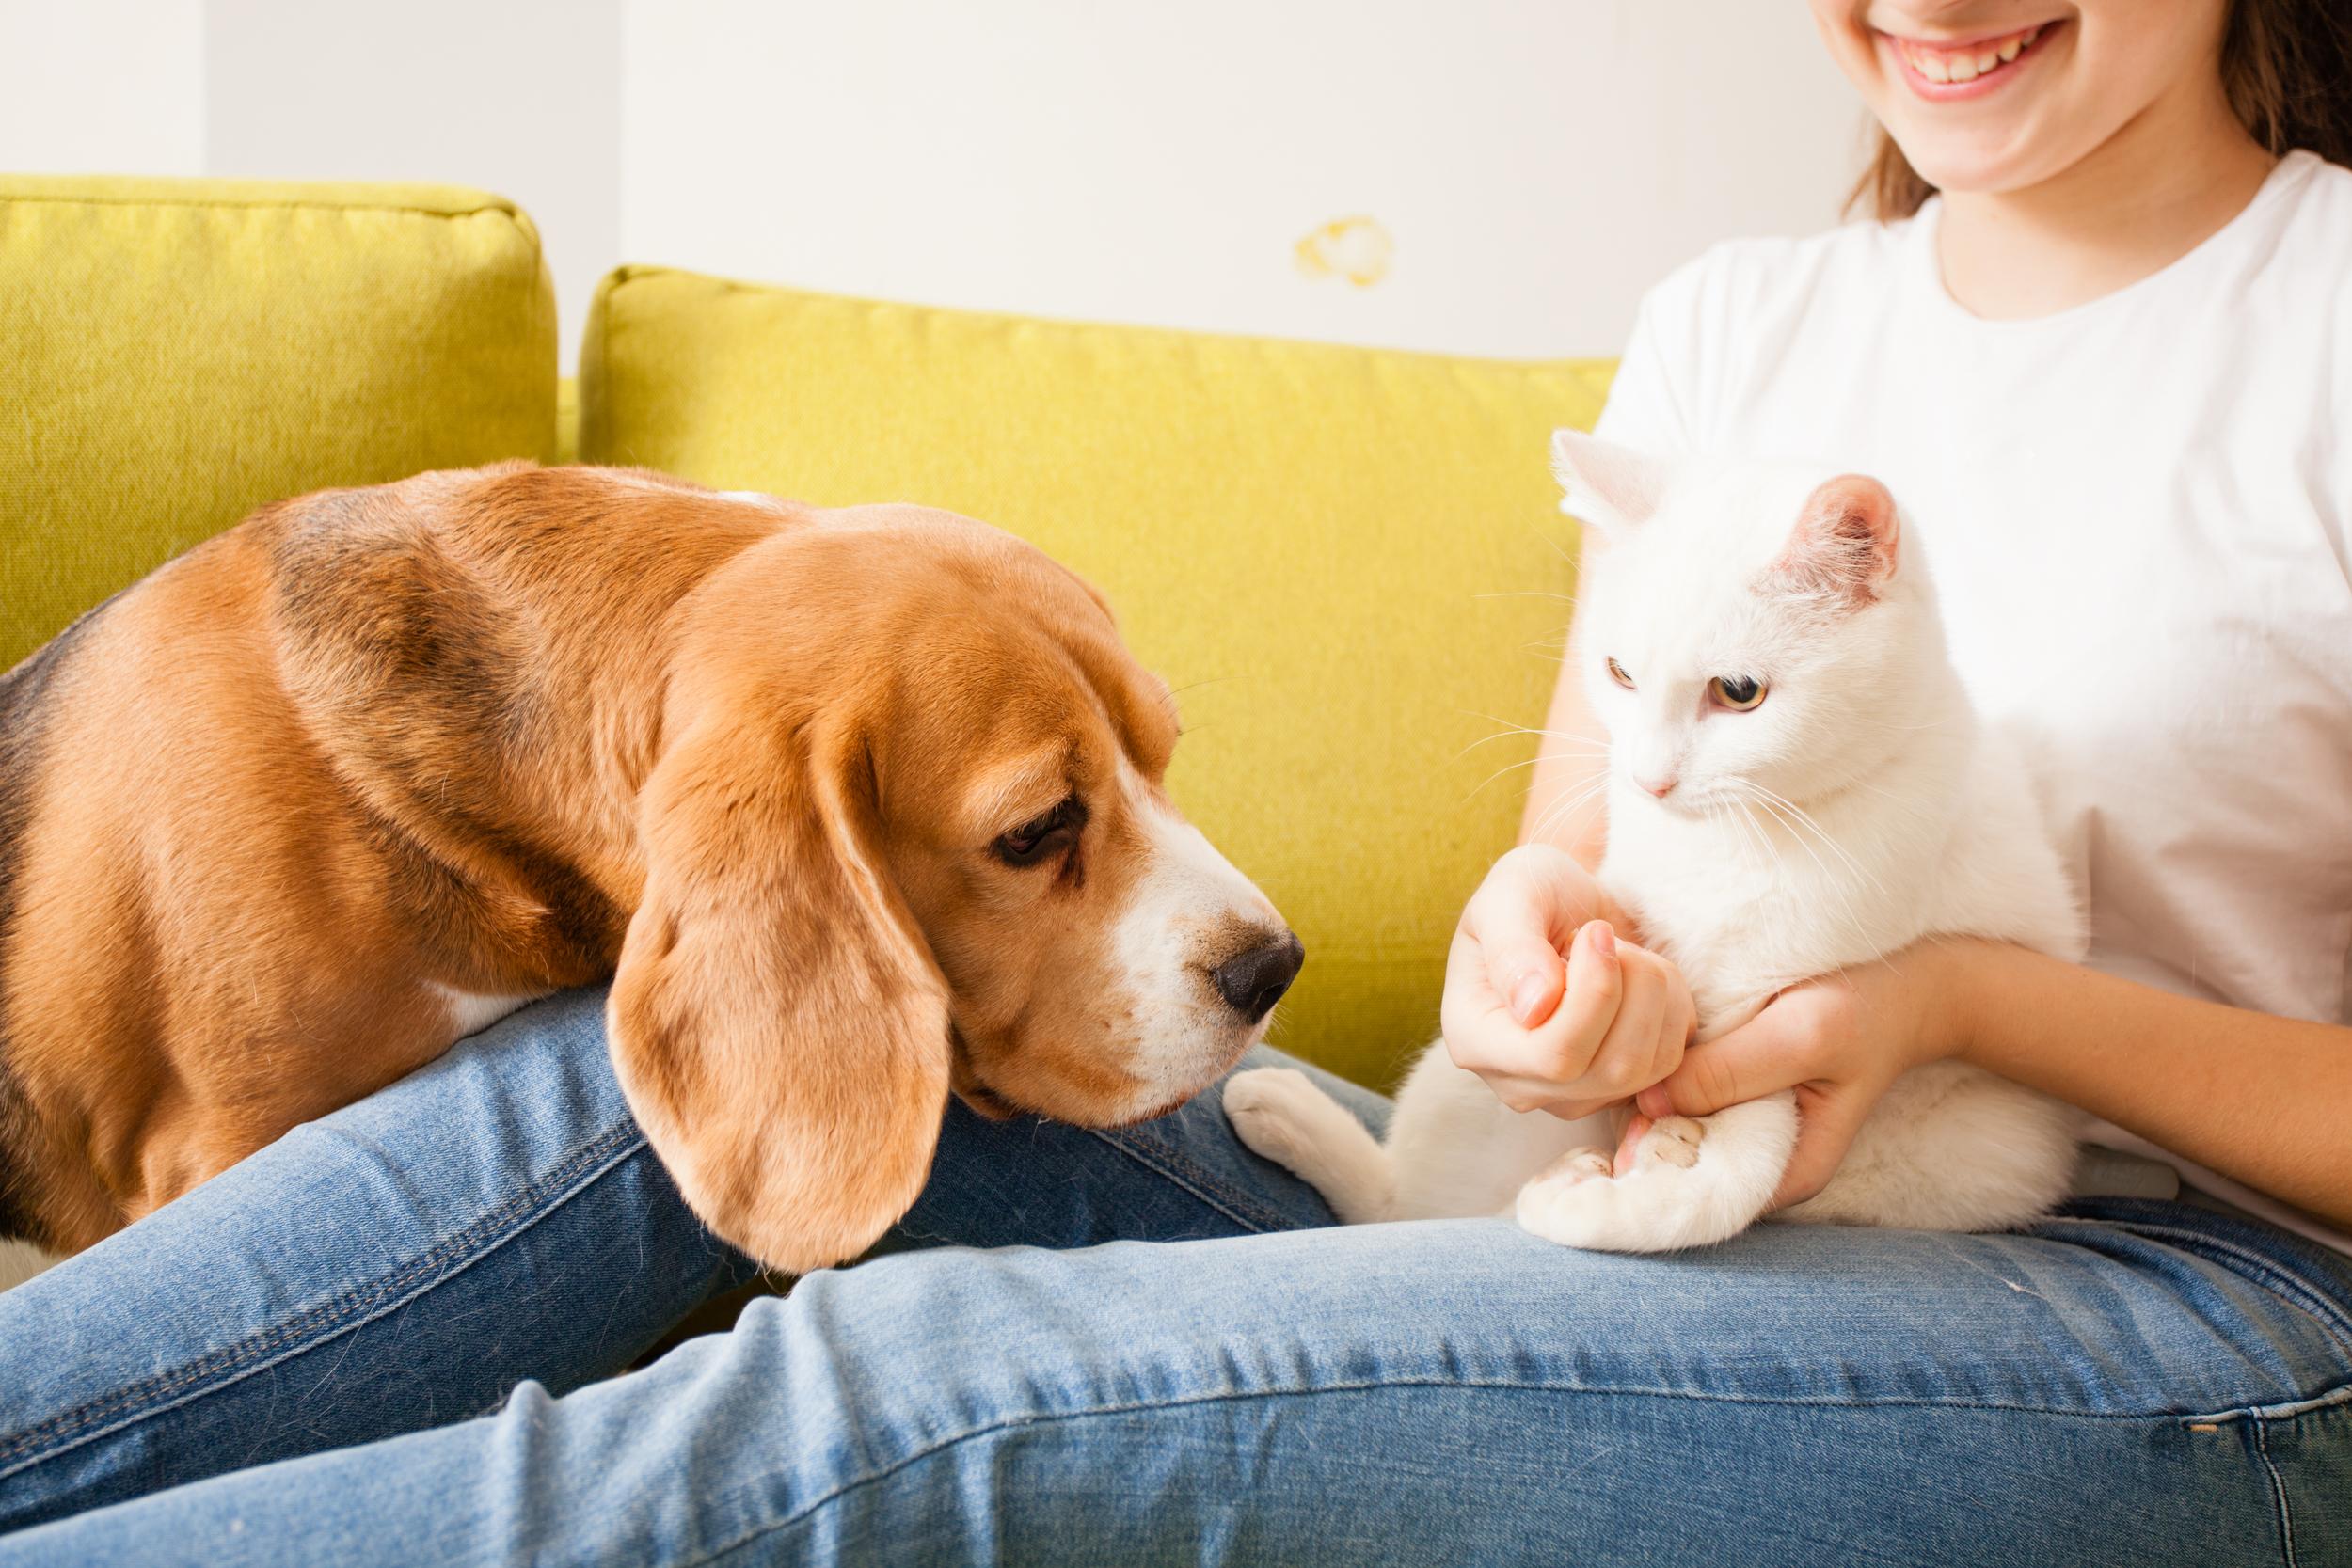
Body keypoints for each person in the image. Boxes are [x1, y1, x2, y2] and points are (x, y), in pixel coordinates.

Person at [4, 1, 2348, 1560]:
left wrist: (1952, 1007)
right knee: (642, 1092)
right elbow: (1562, 871)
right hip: (1587, 1193)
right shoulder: (1744, 325)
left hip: (2180, 1308)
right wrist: (1551, 973)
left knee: (897, 1399)